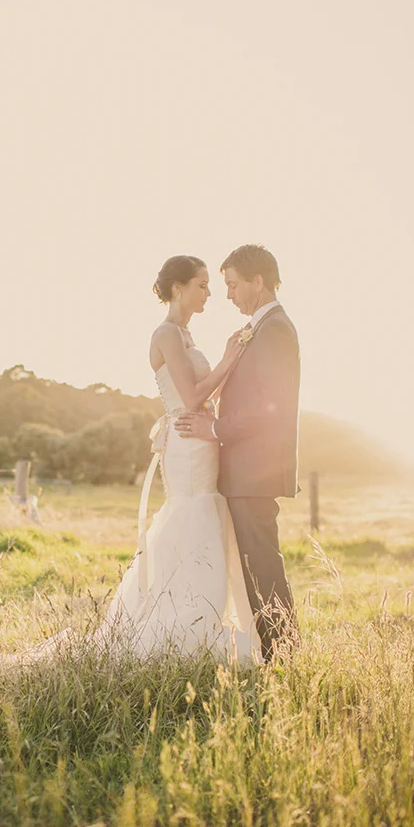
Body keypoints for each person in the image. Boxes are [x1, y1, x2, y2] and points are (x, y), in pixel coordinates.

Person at [20, 254, 262, 664]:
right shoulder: (166, 333)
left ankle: (196, 609)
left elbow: (208, 391)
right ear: (178, 288)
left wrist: (230, 368)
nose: (209, 293)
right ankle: (183, 621)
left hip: (201, 440)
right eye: (203, 285)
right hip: (188, 443)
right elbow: (191, 397)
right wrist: (228, 356)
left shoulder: (186, 336)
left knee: (202, 515)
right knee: (191, 513)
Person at [175, 244, 300, 659]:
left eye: (232, 285)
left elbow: (270, 406)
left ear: (257, 281)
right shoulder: (259, 328)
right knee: (253, 565)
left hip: (255, 470)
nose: (227, 294)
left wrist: (215, 428)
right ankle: (273, 649)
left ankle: (284, 653)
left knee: (262, 565)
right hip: (245, 469)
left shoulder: (275, 329)